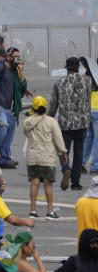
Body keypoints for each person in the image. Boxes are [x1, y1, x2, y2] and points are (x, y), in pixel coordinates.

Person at [50, 56, 93, 192]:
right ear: (78, 67)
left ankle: (66, 169)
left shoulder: (60, 82)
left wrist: (48, 118)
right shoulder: (87, 81)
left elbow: (53, 105)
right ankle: (76, 182)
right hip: (82, 122)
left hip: (65, 124)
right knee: (79, 152)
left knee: (63, 151)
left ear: (67, 68)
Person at [23, 95, 68, 219]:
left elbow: (26, 133)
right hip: (47, 157)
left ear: (34, 107)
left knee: (34, 184)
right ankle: (50, 211)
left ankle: (32, 211)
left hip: (33, 157)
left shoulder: (28, 122)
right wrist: (63, 152)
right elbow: (58, 138)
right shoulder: (51, 121)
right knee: (48, 185)